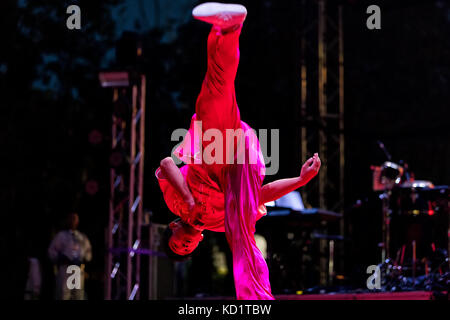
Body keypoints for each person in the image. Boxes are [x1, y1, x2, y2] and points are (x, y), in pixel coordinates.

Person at [156, 2, 321, 300]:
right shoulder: (218, 224)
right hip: (239, 166)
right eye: (186, 249)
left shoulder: (174, 203)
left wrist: (189, 199)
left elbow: (167, 163)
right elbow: (263, 193)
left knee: (216, 89)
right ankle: (258, 299)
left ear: (173, 228)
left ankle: (227, 27)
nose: (184, 245)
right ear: (198, 242)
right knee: (239, 227)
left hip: (213, 151)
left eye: (177, 243)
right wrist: (300, 180)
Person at [48, 212, 92, 300]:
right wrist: (60, 258)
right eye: (71, 218)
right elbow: (51, 250)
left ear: (78, 221)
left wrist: (84, 259)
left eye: (75, 219)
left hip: (78, 269)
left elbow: (88, 253)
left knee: (78, 295)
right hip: (65, 268)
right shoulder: (61, 236)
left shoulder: (82, 237)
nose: (73, 221)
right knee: (64, 294)